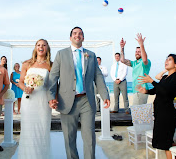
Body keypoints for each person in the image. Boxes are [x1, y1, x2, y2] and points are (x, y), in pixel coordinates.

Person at [48, 27, 110, 159]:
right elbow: (53, 77)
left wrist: (105, 95)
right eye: (75, 33)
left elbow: (98, 76)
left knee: (89, 137)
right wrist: (51, 97)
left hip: (87, 100)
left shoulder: (91, 55)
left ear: (83, 38)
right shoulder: (61, 54)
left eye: (80, 33)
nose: (78, 35)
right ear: (70, 38)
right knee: (69, 137)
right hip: (66, 101)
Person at [138, 54, 176, 159]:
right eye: (166, 59)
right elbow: (157, 90)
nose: (166, 61)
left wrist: (152, 81)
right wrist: (146, 91)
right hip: (160, 112)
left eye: (170, 60)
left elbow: (166, 92)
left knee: (166, 143)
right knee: (164, 143)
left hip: (167, 113)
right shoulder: (164, 77)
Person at [17, 39, 52, 159]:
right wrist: (25, 88)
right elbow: (21, 82)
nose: (41, 47)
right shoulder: (27, 64)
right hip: (29, 100)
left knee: (43, 128)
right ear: (35, 47)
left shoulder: (51, 65)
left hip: (43, 100)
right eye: (38, 45)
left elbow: (53, 85)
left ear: (47, 48)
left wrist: (53, 99)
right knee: (28, 129)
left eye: (43, 45)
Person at [120, 33, 151, 105]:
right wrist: (122, 48)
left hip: (141, 90)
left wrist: (141, 45)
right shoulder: (134, 63)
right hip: (135, 90)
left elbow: (144, 59)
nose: (137, 53)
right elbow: (122, 60)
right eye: (136, 51)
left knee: (138, 113)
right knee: (138, 113)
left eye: (139, 52)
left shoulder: (145, 62)